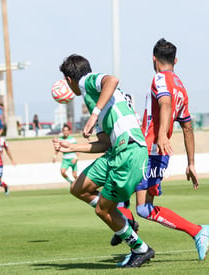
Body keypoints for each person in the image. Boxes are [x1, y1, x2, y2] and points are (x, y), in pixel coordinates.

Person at [112, 39, 209, 263]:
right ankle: (131, 232)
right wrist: (191, 163)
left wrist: (160, 136)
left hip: (150, 150)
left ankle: (196, 231)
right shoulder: (182, 88)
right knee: (138, 204)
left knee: (128, 198)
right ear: (175, 60)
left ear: (154, 59)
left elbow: (165, 104)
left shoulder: (160, 78)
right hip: (158, 153)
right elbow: (187, 127)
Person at [54, 54, 154, 268]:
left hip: (129, 151)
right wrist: (72, 147)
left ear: (69, 80)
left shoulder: (87, 81)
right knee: (78, 188)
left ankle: (140, 249)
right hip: (115, 151)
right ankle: (123, 219)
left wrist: (94, 115)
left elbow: (112, 79)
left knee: (102, 210)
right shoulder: (93, 99)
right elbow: (104, 143)